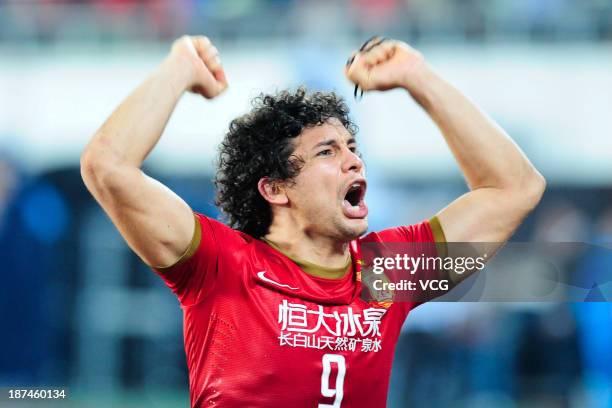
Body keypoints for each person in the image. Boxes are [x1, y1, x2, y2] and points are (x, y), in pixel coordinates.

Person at [80, 35, 545, 407]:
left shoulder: (386, 271)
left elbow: (514, 188)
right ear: (275, 188)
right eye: (328, 151)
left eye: (352, 148)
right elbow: (108, 166)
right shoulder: (220, 265)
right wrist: (179, 68)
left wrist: (417, 77)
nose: (354, 162)